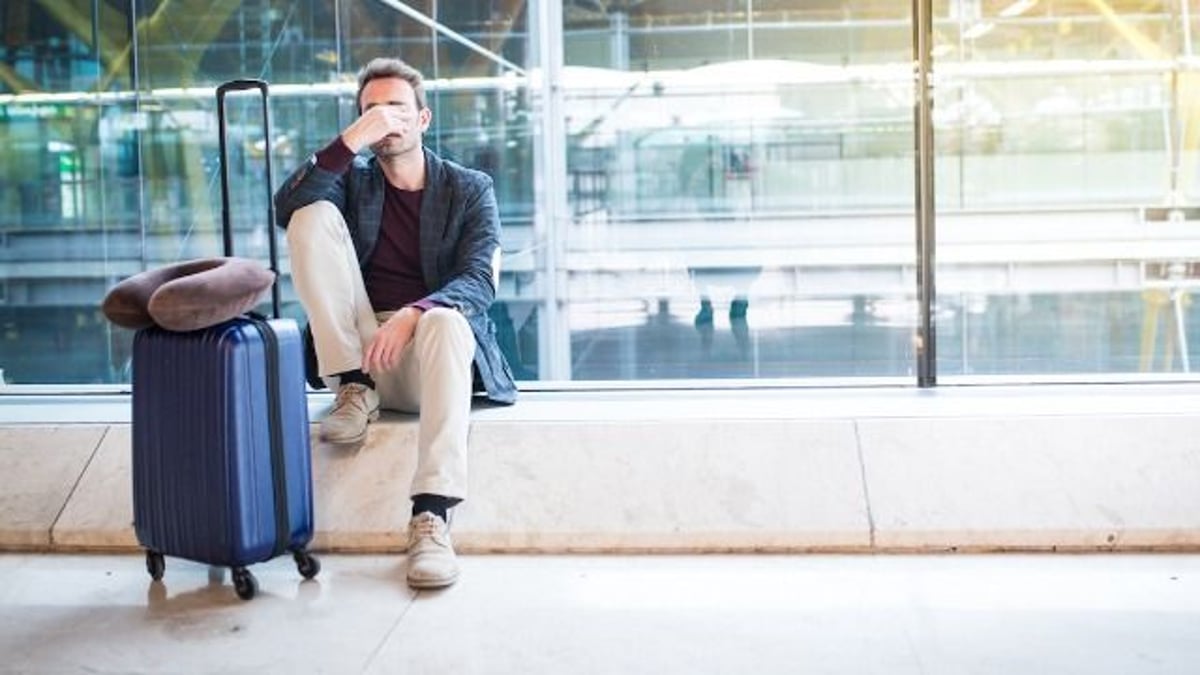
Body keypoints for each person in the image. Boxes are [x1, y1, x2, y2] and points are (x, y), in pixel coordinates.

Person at [273, 57, 517, 589]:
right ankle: (354, 389)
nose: (385, 119)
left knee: (450, 322)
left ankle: (431, 516)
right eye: (371, 111)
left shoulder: (470, 188)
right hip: (358, 354)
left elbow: (480, 280)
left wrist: (413, 313)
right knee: (309, 215)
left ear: (423, 119)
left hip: (429, 357)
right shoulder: (351, 183)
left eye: (396, 109)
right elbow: (287, 206)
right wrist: (351, 140)